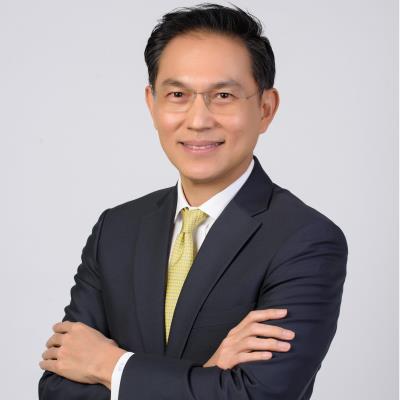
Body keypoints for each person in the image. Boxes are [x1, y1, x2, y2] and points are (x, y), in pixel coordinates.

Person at [38, 3, 348, 399]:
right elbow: (57, 389)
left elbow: (257, 395)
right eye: (177, 94)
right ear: (152, 104)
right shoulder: (115, 229)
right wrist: (208, 376)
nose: (199, 120)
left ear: (265, 108)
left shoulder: (305, 240)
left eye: (223, 95)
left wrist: (109, 366)